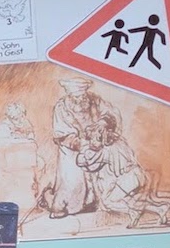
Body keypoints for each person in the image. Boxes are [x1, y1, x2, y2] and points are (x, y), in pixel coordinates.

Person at [43, 78, 121, 218]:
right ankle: (59, 206)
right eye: (76, 97)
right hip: (71, 150)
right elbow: (62, 133)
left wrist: (103, 122)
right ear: (69, 95)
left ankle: (95, 203)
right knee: (71, 181)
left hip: (94, 145)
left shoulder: (94, 100)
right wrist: (81, 144)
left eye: (82, 96)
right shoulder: (61, 107)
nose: (80, 99)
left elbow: (110, 112)